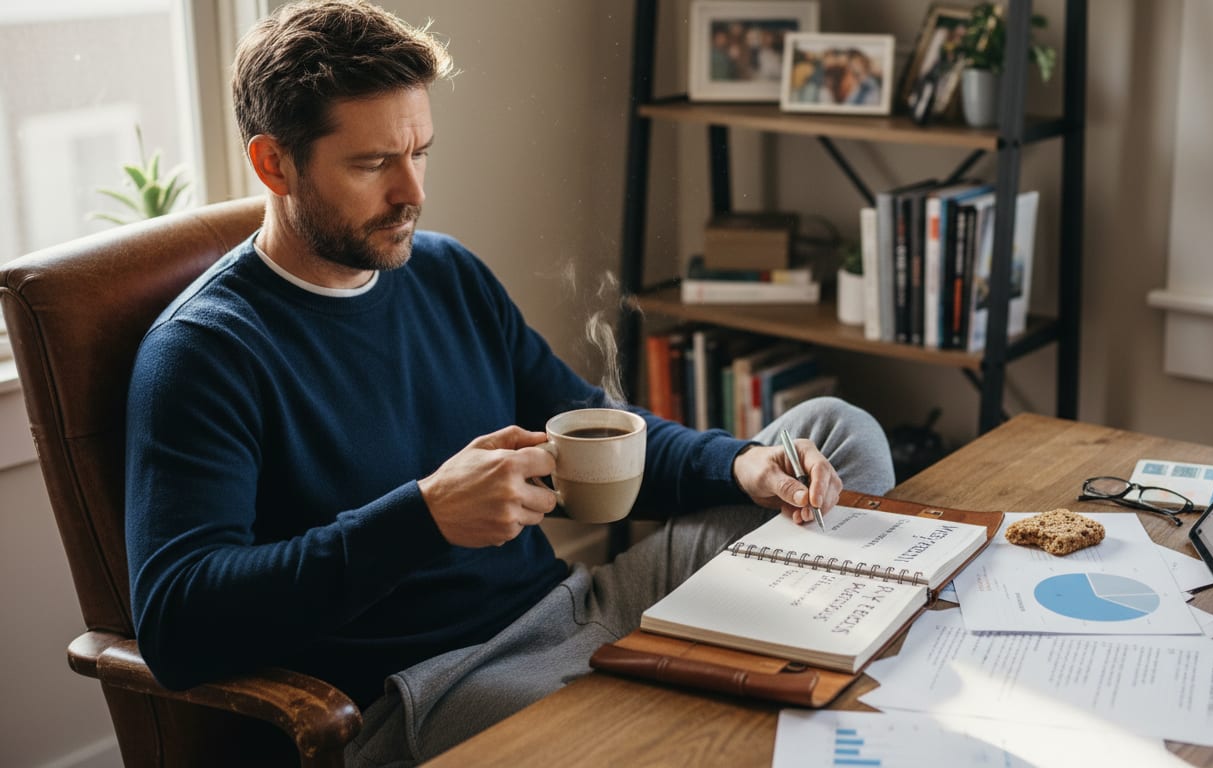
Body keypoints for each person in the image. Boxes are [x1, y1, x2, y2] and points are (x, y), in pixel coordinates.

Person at [123, 1, 895, 764]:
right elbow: (178, 623)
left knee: (831, 434)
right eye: (372, 164)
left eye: (419, 151)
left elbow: (587, 425)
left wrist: (736, 463)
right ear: (273, 163)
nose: (411, 192)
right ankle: (764, 686)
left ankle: (780, 678)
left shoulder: (446, 272)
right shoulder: (204, 354)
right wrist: (423, 517)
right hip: (438, 686)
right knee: (671, 740)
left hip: (586, 605)